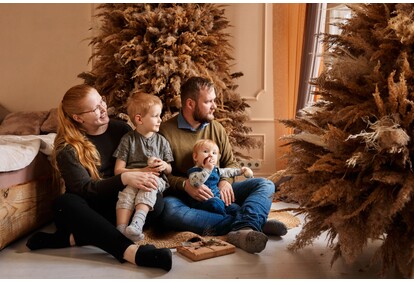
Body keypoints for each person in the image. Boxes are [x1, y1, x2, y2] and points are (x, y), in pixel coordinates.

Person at [25, 84, 172, 271]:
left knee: (156, 202)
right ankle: (132, 253)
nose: (104, 108)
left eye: (101, 100)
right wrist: (125, 179)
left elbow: (138, 162)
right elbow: (85, 189)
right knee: (63, 203)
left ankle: (75, 237)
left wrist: (150, 170)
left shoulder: (121, 129)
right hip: (88, 207)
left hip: (119, 204)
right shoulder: (67, 148)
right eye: (95, 108)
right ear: (78, 117)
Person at [159, 76, 288, 254]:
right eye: (209, 101)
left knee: (265, 184)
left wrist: (225, 181)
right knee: (169, 212)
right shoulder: (165, 131)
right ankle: (251, 223)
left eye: (214, 100)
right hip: (185, 198)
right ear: (190, 104)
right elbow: (163, 174)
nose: (215, 106)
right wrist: (185, 185)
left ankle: (245, 225)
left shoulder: (216, 128)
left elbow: (230, 162)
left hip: (219, 193)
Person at [113, 92, 173, 242]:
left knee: (148, 188)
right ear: (139, 119)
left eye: (160, 115)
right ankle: (121, 229)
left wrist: (164, 165)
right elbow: (118, 170)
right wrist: (140, 172)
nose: (160, 120)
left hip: (155, 179)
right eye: (155, 116)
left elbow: (170, 169)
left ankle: (137, 225)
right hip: (132, 178)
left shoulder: (162, 141)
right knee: (127, 193)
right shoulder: (128, 140)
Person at [186, 138, 253, 216]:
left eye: (214, 153)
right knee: (215, 203)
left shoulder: (216, 170)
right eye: (205, 151)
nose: (210, 155)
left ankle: (242, 221)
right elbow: (196, 182)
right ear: (195, 157)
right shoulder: (194, 171)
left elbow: (228, 172)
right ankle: (225, 218)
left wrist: (241, 171)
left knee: (236, 208)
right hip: (202, 201)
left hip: (219, 199)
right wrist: (207, 169)